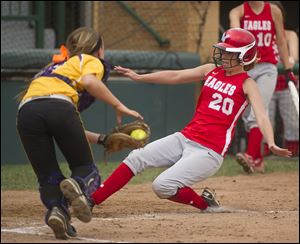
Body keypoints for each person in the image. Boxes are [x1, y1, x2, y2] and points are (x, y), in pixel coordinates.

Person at [59, 28, 292, 223]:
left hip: (209, 152)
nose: (221, 54)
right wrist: (141, 77)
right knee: (136, 157)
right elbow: (176, 76)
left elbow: (261, 116)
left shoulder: (247, 83)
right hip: (185, 137)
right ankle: (91, 201)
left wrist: (270, 142)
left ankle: (205, 204)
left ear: (244, 57)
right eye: (222, 50)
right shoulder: (212, 70)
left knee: (162, 186)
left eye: (228, 52)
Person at [16, 27, 143, 239]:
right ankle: (79, 184)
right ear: (98, 49)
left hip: (26, 112)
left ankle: (57, 211)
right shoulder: (88, 59)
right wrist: (118, 105)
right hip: (59, 107)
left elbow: (62, 123)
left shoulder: (53, 68)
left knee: (48, 176)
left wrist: (102, 139)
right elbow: (89, 82)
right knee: (86, 170)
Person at [229, 1, 296, 173]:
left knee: (258, 111)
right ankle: (258, 160)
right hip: (246, 68)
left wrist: (288, 69)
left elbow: (281, 40)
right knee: (246, 115)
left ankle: (250, 155)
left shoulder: (273, 11)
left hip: (267, 68)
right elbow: (235, 36)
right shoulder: (237, 12)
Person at [264, 1, 299, 157]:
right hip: (265, 83)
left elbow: (293, 57)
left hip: (285, 82)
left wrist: (288, 61)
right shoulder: (261, 35)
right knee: (266, 119)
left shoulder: (290, 34)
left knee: (292, 120)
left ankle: (292, 154)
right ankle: (264, 154)